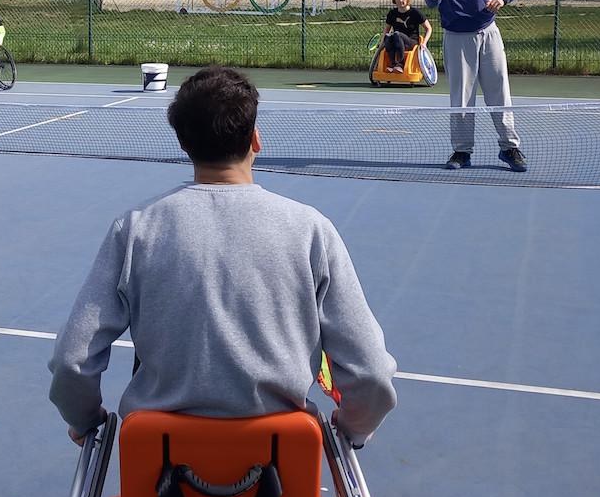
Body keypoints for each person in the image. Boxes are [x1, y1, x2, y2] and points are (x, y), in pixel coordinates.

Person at [48, 66, 398, 451]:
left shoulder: (134, 230)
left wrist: (86, 420)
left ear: (183, 143)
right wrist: (355, 427)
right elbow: (372, 375)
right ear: (255, 139)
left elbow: (71, 362)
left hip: (157, 469)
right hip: (283, 470)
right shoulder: (312, 230)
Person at [424, 0, 527, 172]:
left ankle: (509, 148)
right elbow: (430, 1)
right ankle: (462, 151)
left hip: (489, 34)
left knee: (499, 92)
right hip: (457, 38)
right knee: (461, 98)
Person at [382, 0, 432, 73]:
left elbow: (429, 28)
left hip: (412, 42)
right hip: (396, 39)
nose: (400, 0)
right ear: (394, 0)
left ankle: (400, 64)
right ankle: (393, 65)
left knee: (397, 34)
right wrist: (381, 43)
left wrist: (424, 43)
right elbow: (386, 30)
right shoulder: (392, 13)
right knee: (388, 37)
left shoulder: (415, 13)